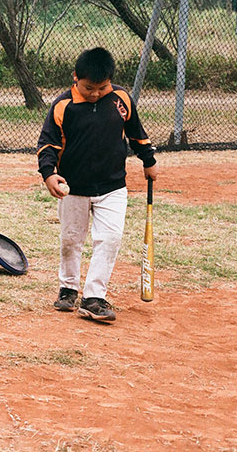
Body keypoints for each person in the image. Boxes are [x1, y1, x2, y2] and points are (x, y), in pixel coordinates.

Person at [37, 47, 158, 323]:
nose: (95, 93)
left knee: (110, 239)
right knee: (71, 239)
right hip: (73, 187)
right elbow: (47, 145)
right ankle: (68, 288)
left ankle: (94, 297)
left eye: (101, 87)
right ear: (75, 78)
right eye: (89, 87)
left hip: (112, 186)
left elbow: (137, 133)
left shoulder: (120, 99)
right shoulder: (62, 105)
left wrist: (148, 160)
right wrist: (48, 174)